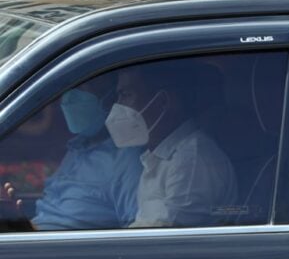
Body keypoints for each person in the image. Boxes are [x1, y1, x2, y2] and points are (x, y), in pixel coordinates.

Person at [0, 75, 142, 231]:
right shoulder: (77, 149)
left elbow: (135, 237)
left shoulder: (126, 160)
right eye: (68, 89)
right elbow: (52, 217)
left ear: (109, 98)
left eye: (81, 88)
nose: (68, 98)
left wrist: (22, 229)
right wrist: (17, 220)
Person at [107, 59, 238, 228]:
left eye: (126, 95)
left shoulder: (192, 158)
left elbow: (166, 238)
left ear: (162, 102)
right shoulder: (159, 157)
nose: (118, 106)